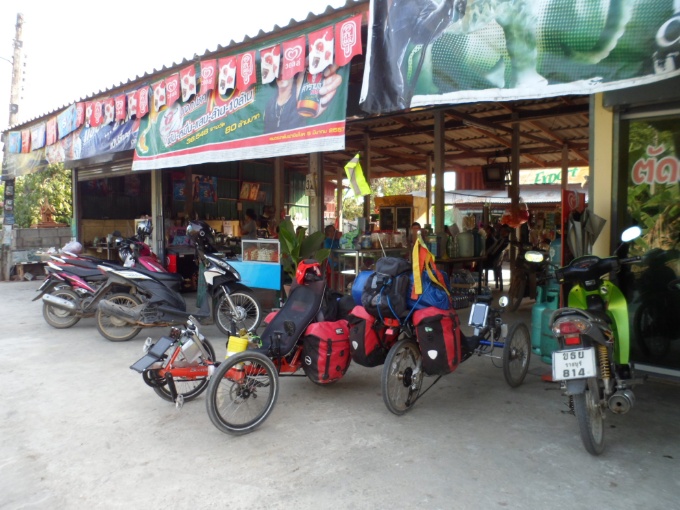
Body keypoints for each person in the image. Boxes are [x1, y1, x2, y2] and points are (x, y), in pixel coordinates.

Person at [263, 64, 344, 133]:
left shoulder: (298, 100)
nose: (281, 73)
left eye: (285, 69)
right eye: (278, 69)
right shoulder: (270, 103)